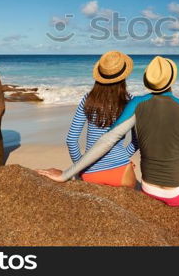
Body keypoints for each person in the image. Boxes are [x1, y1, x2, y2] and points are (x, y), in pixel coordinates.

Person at [39, 56, 179, 214]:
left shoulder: (117, 102)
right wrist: (123, 158)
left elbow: (88, 140)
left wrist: (75, 171)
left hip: (113, 179)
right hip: (130, 175)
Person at [37, 51, 138, 187]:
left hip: (90, 173)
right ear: (124, 76)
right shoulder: (130, 101)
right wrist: (122, 158)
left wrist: (81, 167)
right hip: (121, 171)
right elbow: (137, 142)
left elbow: (71, 139)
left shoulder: (88, 100)